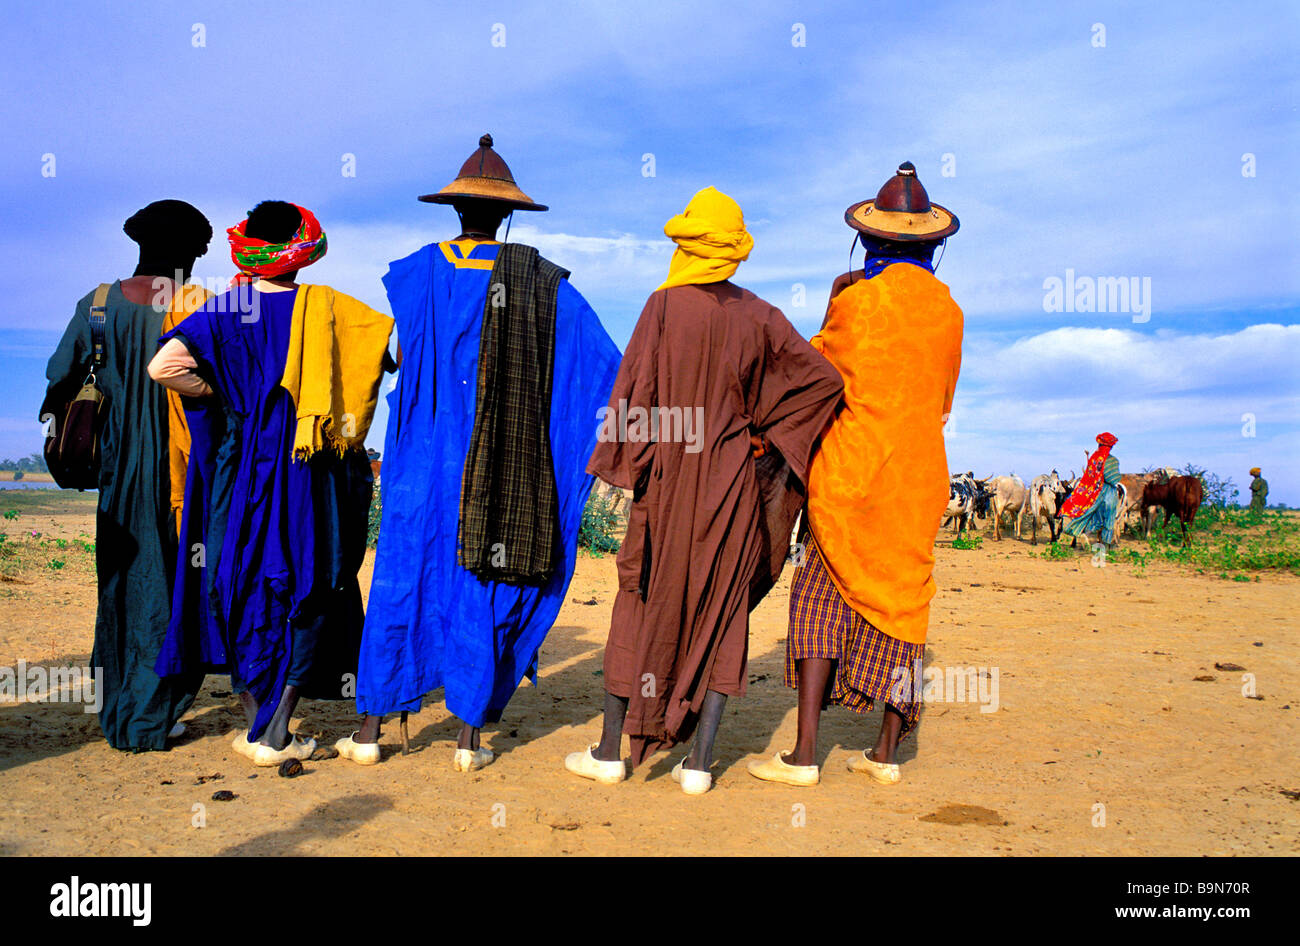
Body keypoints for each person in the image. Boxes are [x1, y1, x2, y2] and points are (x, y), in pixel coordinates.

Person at [341, 135, 621, 771]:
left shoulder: (416, 275)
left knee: (401, 576)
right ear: (508, 215)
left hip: (418, 464)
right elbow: (605, 371)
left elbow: (384, 350)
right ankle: (467, 741)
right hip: (501, 462)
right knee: (480, 582)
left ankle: (367, 732)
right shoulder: (541, 285)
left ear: (455, 209)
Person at [564, 186, 843, 794]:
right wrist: (760, 437)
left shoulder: (663, 307)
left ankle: (612, 750)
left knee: (639, 597)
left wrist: (632, 464)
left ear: (688, 241)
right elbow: (822, 380)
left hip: (667, 483)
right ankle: (698, 767)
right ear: (735, 249)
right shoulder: (760, 316)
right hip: (731, 486)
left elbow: (634, 391)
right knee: (723, 612)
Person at [150, 200, 393, 767]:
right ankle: (279, 724)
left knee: (239, 579)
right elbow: (392, 352)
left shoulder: (226, 308)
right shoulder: (332, 308)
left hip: (241, 471)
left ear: (248, 247)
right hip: (309, 474)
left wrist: (226, 397)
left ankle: (256, 721)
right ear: (304, 248)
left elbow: (163, 368)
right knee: (309, 580)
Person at [747, 162, 963, 788]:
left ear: (870, 241)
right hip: (916, 477)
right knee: (904, 604)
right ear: (932, 247)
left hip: (850, 473)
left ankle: (805, 753)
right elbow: (942, 399)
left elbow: (816, 371)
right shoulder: (949, 313)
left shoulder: (857, 302)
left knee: (818, 597)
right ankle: (887, 754)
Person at [42, 199, 214, 751]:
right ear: (187, 253)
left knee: (119, 586)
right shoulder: (199, 305)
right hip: (181, 481)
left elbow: (57, 380)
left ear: (138, 244)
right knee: (168, 589)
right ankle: (148, 719)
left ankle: (119, 710)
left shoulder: (96, 304)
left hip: (117, 477)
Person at [1060, 433, 1123, 553]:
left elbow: (1088, 476)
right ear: (1111, 446)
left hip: (1094, 493)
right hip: (1108, 493)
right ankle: (1106, 546)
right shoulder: (1112, 460)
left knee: (1093, 517)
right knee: (1108, 519)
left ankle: (1082, 533)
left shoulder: (1094, 458)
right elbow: (1113, 478)